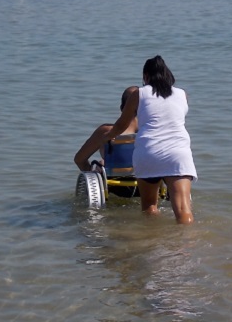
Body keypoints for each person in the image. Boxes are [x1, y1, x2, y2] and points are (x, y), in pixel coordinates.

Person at [103, 55, 197, 224]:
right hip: (178, 153)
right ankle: (185, 247)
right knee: (183, 210)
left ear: (146, 76)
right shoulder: (182, 94)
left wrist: (107, 138)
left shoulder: (139, 93)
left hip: (149, 152)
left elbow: (121, 126)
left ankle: (152, 244)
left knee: (149, 207)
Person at [74, 86, 139, 172]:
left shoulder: (106, 132)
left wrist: (92, 173)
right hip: (144, 180)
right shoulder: (149, 131)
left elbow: (79, 160)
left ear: (121, 107)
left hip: (111, 181)